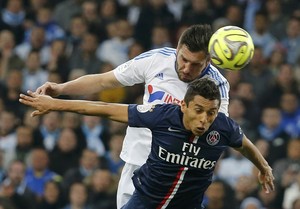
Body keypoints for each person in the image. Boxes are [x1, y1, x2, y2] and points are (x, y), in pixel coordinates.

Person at [34, 24, 230, 208]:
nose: (186, 68)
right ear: (177, 48)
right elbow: (104, 81)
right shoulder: (157, 59)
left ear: (208, 60)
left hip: (177, 175)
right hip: (137, 160)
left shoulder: (218, 86)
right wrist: (61, 88)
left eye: (195, 64)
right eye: (183, 59)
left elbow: (216, 133)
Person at [19, 78, 275, 209]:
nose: (205, 119)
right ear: (184, 105)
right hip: (146, 201)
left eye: (211, 112)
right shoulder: (161, 114)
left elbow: (245, 145)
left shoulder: (223, 127)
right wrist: (55, 104)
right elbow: (105, 109)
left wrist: (263, 167)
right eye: (198, 110)